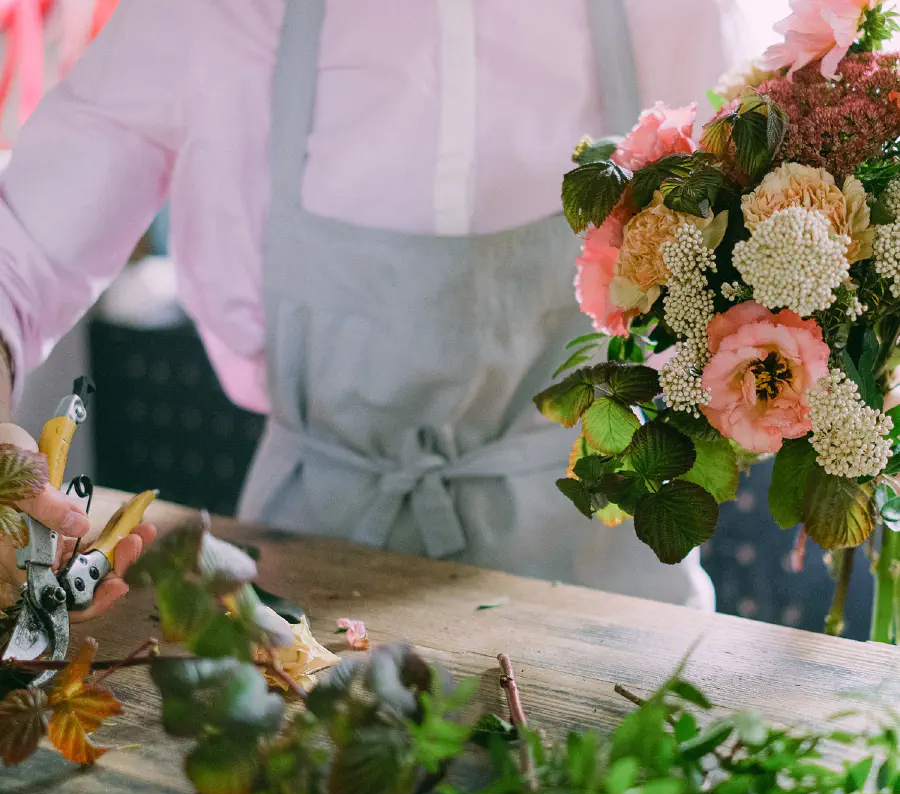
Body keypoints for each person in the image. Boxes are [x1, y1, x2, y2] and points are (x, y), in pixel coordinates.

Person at [0, 0, 751, 618]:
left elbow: (764, 239)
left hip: (615, 596)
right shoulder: (216, 11)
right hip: (310, 599)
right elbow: (21, 244)